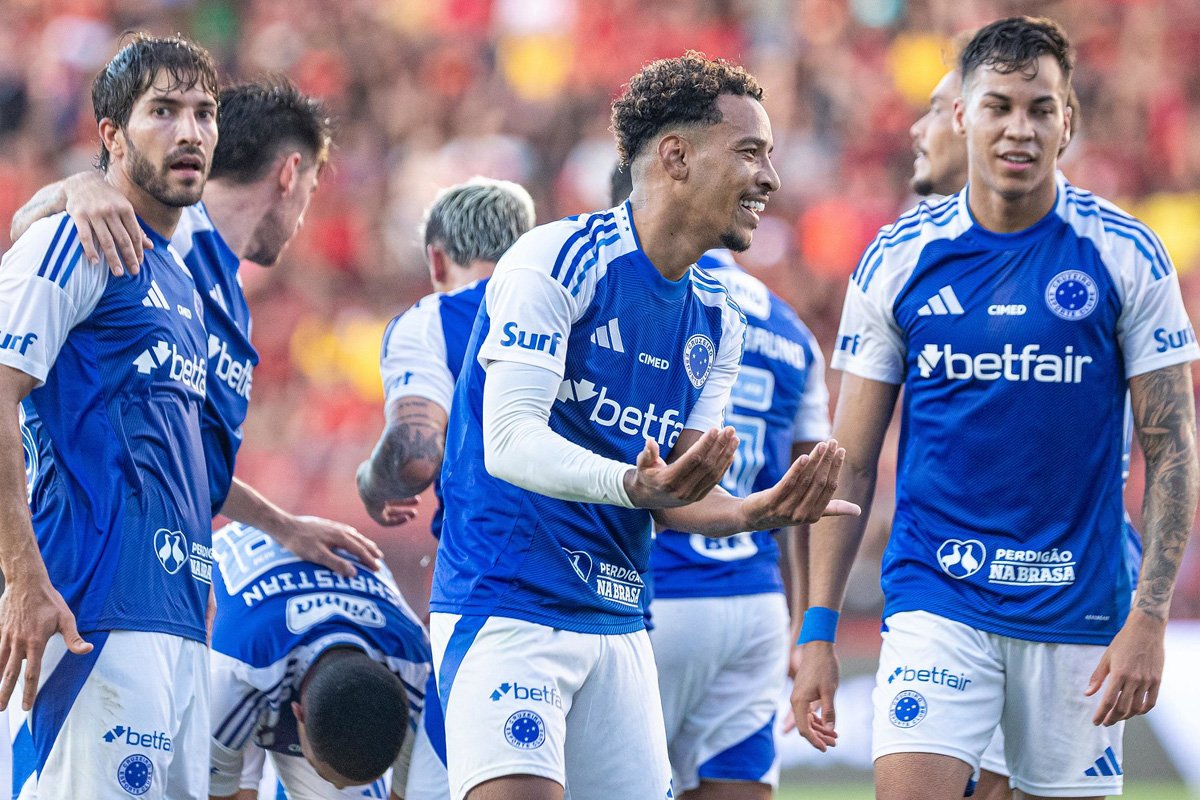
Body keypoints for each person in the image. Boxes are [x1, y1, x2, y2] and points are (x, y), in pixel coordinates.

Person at [430, 51, 858, 800]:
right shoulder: (554, 260)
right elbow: (509, 443)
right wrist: (634, 483)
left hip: (622, 620)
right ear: (675, 156)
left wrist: (757, 511)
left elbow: (675, 495)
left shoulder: (720, 319)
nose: (771, 178)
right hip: (508, 604)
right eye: (750, 151)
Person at [791, 16, 1199, 800]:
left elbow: (1174, 448)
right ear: (961, 116)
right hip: (937, 596)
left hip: (1080, 609)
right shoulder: (898, 257)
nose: (1020, 127)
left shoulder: (1124, 254)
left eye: (1041, 108)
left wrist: (1148, 618)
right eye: (999, 105)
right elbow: (845, 463)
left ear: (1068, 120)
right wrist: (815, 628)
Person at [10, 78, 383, 578]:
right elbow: (33, 236)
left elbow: (196, 464)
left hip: (147, 578)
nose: (301, 221)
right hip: (68, 556)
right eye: (312, 190)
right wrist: (76, 186)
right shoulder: (170, 229)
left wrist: (282, 526)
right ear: (291, 174)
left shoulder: (234, 302)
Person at [0, 33, 219, 798]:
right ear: (111, 137)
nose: (190, 132)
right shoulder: (75, 240)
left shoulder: (183, 279)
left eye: (203, 112)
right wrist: (23, 578)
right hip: (87, 610)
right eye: (163, 111)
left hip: (175, 620)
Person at [611, 164, 835, 800]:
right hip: (756, 600)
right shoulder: (794, 333)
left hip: (654, 589)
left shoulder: (649, 299)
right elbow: (807, 495)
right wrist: (801, 623)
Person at [356, 176, 537, 800]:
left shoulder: (434, 319)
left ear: (437, 257)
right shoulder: (585, 306)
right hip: (612, 598)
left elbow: (415, 455)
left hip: (495, 594)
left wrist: (369, 479)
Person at [207, 521, 431, 800]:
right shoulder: (235, 674)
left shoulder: (417, 672)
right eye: (325, 773)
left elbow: (405, 792)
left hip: (281, 652)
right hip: (237, 648)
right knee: (226, 767)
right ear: (298, 714)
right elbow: (220, 793)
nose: (339, 785)